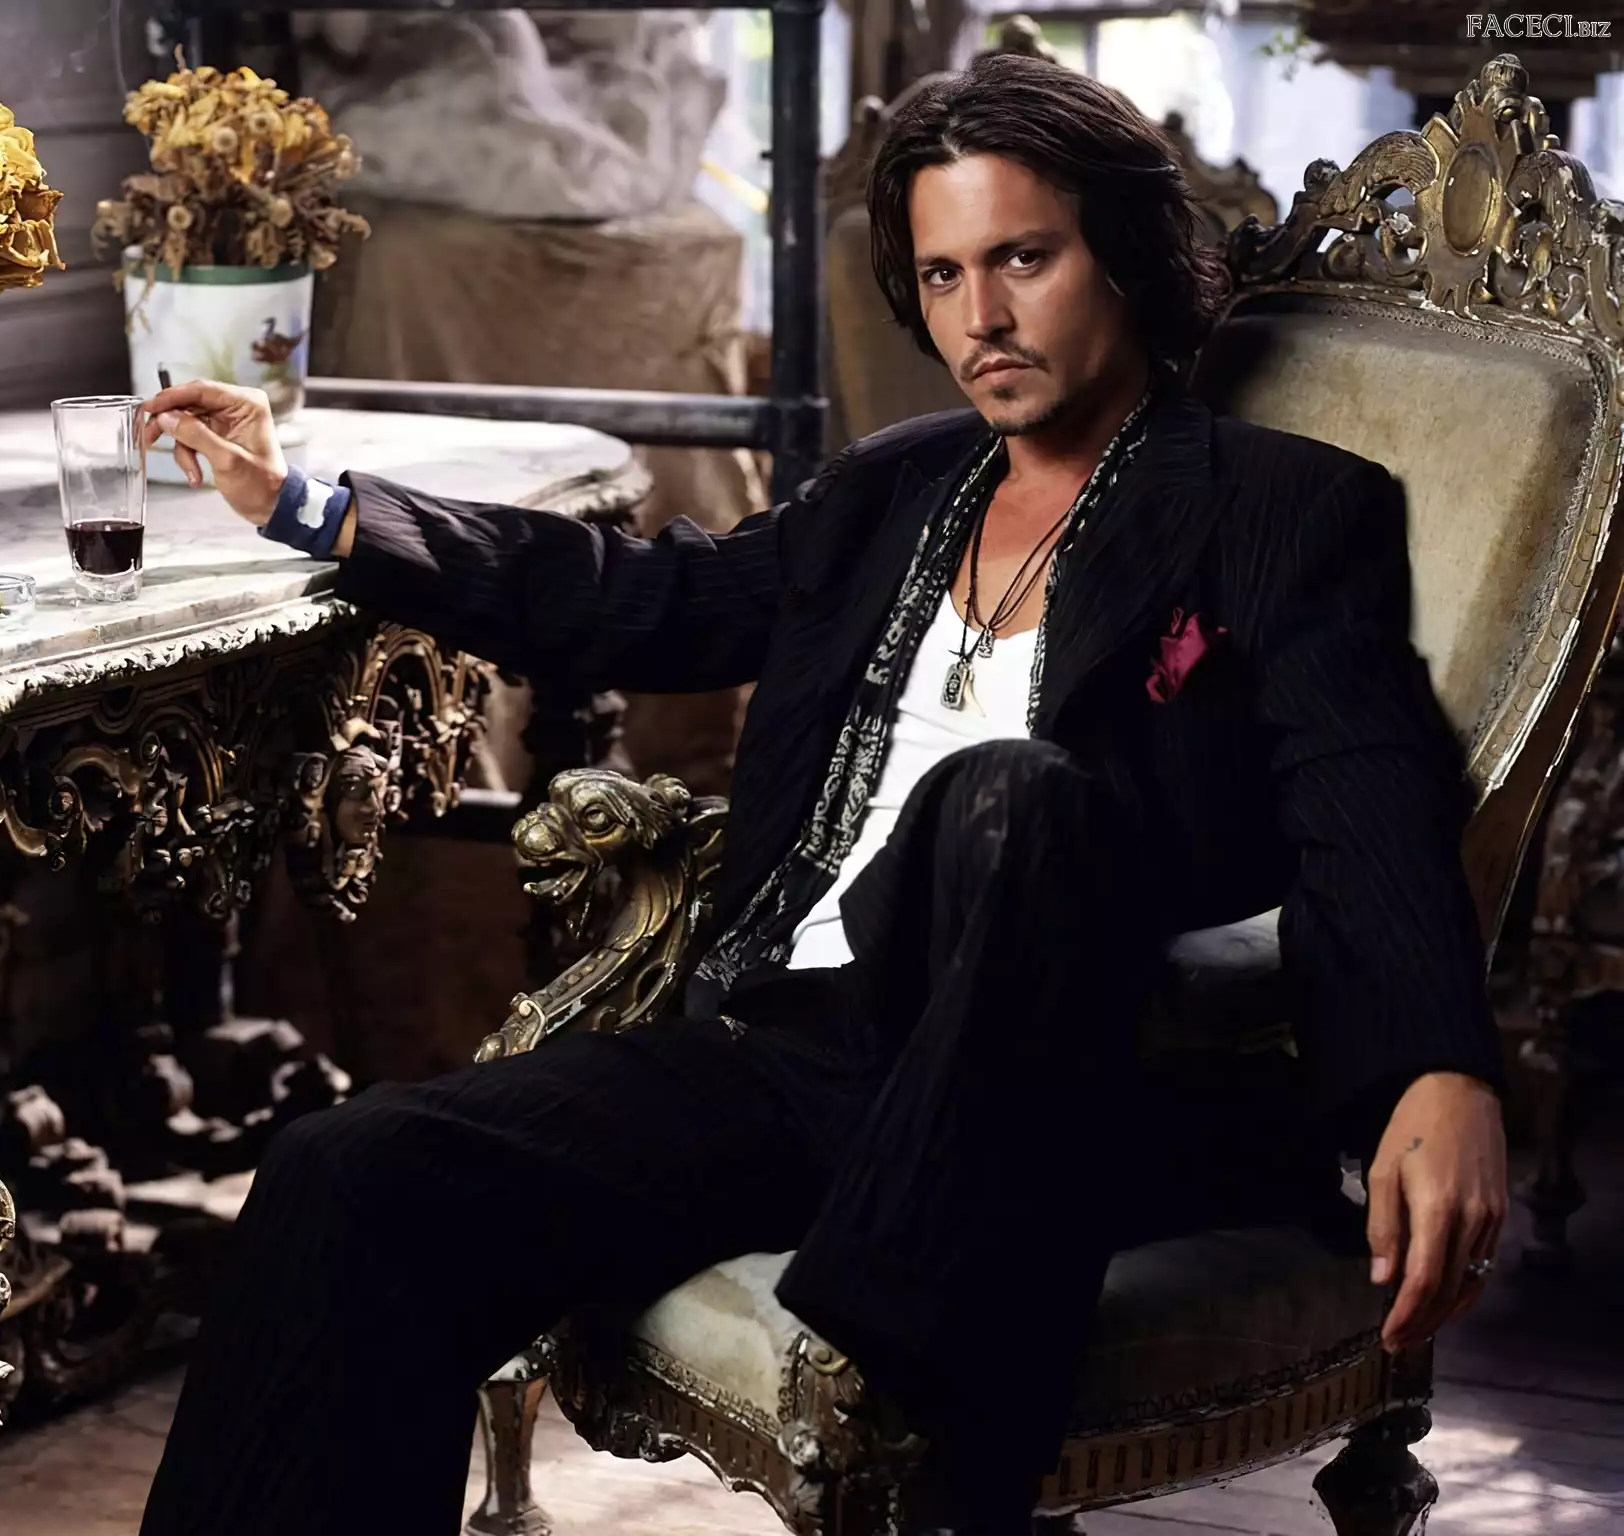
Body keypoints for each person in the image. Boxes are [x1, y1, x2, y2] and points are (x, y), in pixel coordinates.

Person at [137, 52, 1507, 1536]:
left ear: (1119, 254)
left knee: (1013, 798)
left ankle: (922, 1431)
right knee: (347, 1173)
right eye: (941, 275)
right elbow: (642, 597)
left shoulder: (1280, 507)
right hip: (790, 1054)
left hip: (1054, 1069)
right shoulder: (895, 488)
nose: (980, 318)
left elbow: (1365, 795)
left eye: (1023, 259)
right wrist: (312, 505)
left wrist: (1436, 1066)